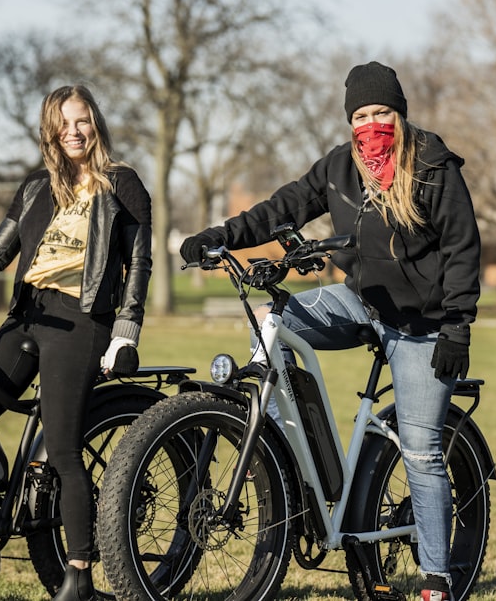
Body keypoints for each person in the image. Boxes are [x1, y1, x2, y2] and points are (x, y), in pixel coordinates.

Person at [180, 61, 480, 601]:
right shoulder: (340, 168)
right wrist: (220, 235)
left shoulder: (433, 165)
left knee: (420, 449)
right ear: (349, 121)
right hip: (362, 303)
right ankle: (281, 458)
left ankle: (437, 578)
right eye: (361, 115)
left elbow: (462, 247)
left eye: (382, 112)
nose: (372, 124)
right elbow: (283, 207)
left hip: (424, 325)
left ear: (400, 114)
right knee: (277, 322)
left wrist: (457, 327)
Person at [0, 84, 152, 601]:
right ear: (50, 129)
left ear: (96, 124)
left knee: (63, 448)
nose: (74, 130)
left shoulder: (122, 184)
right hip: (27, 316)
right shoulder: (34, 189)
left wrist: (125, 332)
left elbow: (139, 264)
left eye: (83, 120)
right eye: (64, 122)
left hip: (81, 322)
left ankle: (80, 576)